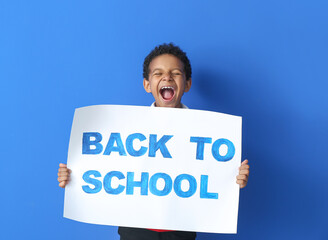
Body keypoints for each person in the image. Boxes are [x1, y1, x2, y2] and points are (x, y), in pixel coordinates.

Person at [57, 43, 250, 240]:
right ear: (147, 84)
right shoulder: (125, 128)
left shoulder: (208, 133)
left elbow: (210, 175)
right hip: (134, 230)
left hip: (180, 231)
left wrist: (232, 178)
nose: (167, 77)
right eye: (158, 73)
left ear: (188, 83)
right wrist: (75, 177)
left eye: (175, 73)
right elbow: (107, 169)